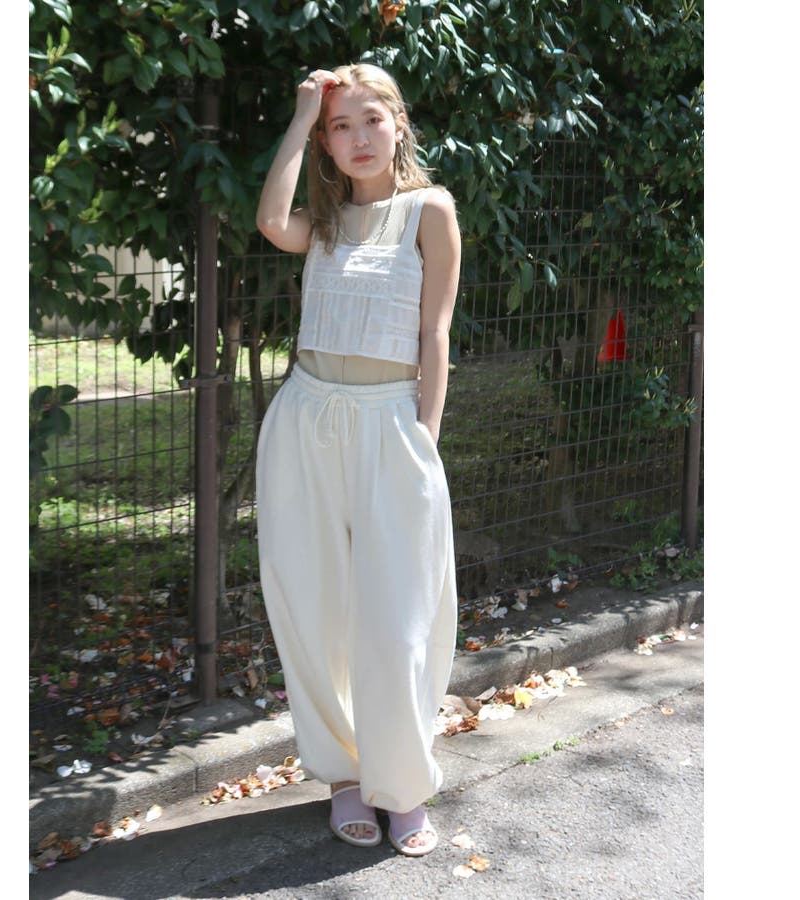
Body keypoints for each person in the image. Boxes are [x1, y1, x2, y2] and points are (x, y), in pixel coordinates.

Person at [254, 62, 460, 857]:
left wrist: (425, 435)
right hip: (306, 420)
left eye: (371, 119)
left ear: (398, 124)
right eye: (341, 128)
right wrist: (302, 115)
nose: (358, 138)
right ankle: (343, 773)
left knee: (397, 617)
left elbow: (434, 334)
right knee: (313, 606)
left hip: (390, 424)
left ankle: (401, 784)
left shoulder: (430, 211)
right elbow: (272, 221)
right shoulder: (326, 222)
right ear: (327, 144)